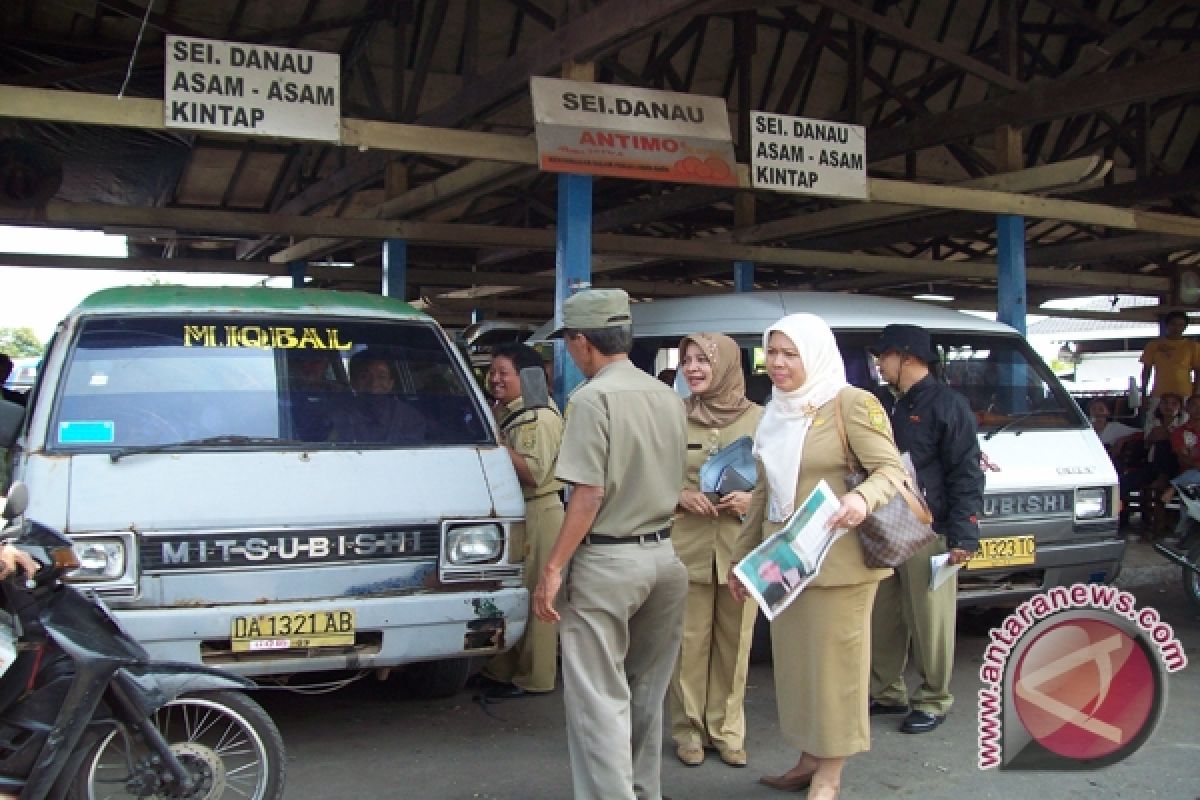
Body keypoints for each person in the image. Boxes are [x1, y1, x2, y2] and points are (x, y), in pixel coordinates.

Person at [729, 313, 905, 799]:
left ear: (816, 354)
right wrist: (742, 561)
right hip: (784, 568)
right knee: (798, 671)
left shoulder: (852, 404)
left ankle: (830, 771)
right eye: (774, 353)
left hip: (839, 567)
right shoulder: (776, 411)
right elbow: (763, 493)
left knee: (835, 673)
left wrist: (861, 499)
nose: (778, 364)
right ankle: (808, 759)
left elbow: (891, 471)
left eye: (791, 354)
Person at [531, 288, 688, 800]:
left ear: (582, 342)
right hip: (665, 557)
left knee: (599, 699)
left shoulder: (590, 399)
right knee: (646, 691)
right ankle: (643, 791)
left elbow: (588, 494)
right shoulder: (667, 395)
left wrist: (553, 568)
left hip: (607, 562)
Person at [866, 324, 984, 735]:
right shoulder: (879, 402)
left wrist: (964, 536)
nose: (879, 364)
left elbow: (966, 473)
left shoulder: (949, 405)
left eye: (884, 356)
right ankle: (886, 692)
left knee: (929, 620)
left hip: (928, 529)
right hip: (881, 528)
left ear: (909, 357)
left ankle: (933, 698)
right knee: (884, 616)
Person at [667, 333, 762, 769]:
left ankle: (726, 730)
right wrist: (680, 495)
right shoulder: (672, 417)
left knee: (735, 642)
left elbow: (785, 485)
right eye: (687, 361)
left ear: (724, 365)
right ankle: (688, 730)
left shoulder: (762, 420)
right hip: (686, 547)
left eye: (703, 360)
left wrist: (752, 500)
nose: (693, 369)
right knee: (687, 643)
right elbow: (646, 474)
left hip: (742, 551)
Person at [476, 343, 565, 699]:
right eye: (492, 372)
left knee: (537, 597)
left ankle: (535, 677)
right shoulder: (509, 411)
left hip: (539, 512)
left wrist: (497, 444)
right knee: (510, 594)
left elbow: (535, 473)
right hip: (517, 514)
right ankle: (501, 669)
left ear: (526, 377)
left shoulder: (537, 417)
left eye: (504, 373)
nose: (495, 379)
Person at [343, 350, 427, 444]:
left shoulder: (409, 419)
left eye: (381, 377)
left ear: (391, 383)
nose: (373, 383)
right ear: (353, 383)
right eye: (364, 377)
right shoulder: (338, 417)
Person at [1139, 311, 1200, 433]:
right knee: (1153, 426)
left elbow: (1198, 372)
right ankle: (1153, 451)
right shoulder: (1153, 345)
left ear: (1185, 327)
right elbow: (1146, 371)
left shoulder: (1193, 346)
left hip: (1184, 394)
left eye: (1180, 325)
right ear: (1166, 325)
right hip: (1159, 393)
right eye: (1173, 324)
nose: (1176, 328)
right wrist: (1144, 394)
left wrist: (1195, 395)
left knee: (1184, 429)